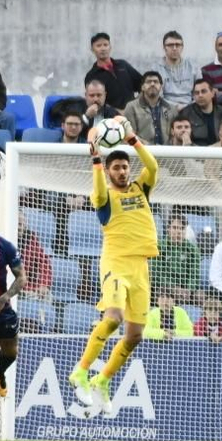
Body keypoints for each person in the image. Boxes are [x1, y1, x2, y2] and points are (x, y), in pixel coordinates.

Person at [67, 129, 159, 416]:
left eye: (124, 167)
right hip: (115, 263)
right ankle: (80, 372)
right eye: (116, 168)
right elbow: (97, 188)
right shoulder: (104, 197)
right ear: (108, 173)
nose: (121, 171)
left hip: (141, 268)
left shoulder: (140, 189)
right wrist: (96, 159)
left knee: (134, 336)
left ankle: (102, 379)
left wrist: (132, 138)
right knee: (113, 318)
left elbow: (153, 166)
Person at [84, 32, 142, 110]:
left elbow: (143, 85)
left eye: (105, 45)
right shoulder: (92, 75)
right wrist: (117, 113)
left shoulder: (123, 65)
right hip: (109, 119)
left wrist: (136, 105)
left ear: (110, 47)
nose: (103, 48)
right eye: (98, 46)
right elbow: (95, 103)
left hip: (132, 115)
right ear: (92, 49)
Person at [154, 31, 198, 113]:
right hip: (165, 110)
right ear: (164, 48)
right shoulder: (156, 69)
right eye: (170, 45)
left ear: (182, 47)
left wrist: (189, 107)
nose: (174, 48)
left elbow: (199, 92)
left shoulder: (193, 67)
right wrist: (174, 108)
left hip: (191, 109)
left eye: (178, 45)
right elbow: (157, 96)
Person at [121, 71, 169, 145]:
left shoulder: (170, 108)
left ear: (161, 87)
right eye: (148, 82)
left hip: (168, 152)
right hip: (141, 151)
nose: (152, 84)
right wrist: (142, 143)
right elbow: (128, 135)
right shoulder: (131, 107)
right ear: (142, 87)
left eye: (156, 82)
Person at [177, 78, 222, 147]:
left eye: (203, 91)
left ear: (212, 93)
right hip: (195, 152)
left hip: (220, 152)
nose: (200, 95)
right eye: (196, 93)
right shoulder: (186, 113)